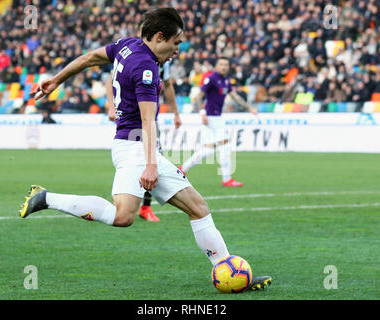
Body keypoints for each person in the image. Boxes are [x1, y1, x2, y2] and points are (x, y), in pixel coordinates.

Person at [21, 7, 271, 290]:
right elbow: (148, 121)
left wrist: (56, 79)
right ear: (160, 36)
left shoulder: (127, 44)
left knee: (198, 208)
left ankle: (229, 272)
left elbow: (91, 57)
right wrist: (151, 165)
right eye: (176, 43)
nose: (178, 50)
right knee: (123, 216)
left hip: (138, 147)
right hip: (135, 148)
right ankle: (45, 198)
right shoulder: (147, 67)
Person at [106, 59, 181, 222]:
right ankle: (127, 201)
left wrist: (176, 112)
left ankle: (145, 207)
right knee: (142, 161)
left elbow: (167, 85)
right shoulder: (133, 55)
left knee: (153, 159)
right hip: (133, 124)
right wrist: (111, 106)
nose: (175, 50)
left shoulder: (163, 62)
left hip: (151, 120)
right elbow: (112, 79)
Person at [179, 57, 257, 187]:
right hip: (211, 117)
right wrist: (202, 113)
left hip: (216, 117)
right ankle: (227, 179)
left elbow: (235, 96)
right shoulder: (212, 78)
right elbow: (199, 97)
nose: (224, 67)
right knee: (225, 144)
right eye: (221, 64)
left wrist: (249, 108)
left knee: (209, 149)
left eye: (226, 64)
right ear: (216, 66)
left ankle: (182, 169)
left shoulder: (226, 80)